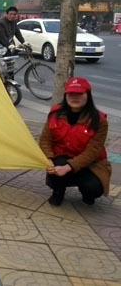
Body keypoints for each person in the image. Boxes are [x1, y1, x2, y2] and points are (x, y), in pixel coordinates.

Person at [39, 77, 111, 206]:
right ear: (65, 95)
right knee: (56, 165)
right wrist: (48, 159)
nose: (75, 97)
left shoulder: (99, 120)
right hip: (62, 157)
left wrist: (68, 167)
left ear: (88, 95)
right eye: (71, 93)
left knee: (93, 188)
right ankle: (58, 191)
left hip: (90, 164)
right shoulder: (55, 113)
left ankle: (86, 192)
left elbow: (92, 152)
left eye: (79, 94)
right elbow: (45, 139)